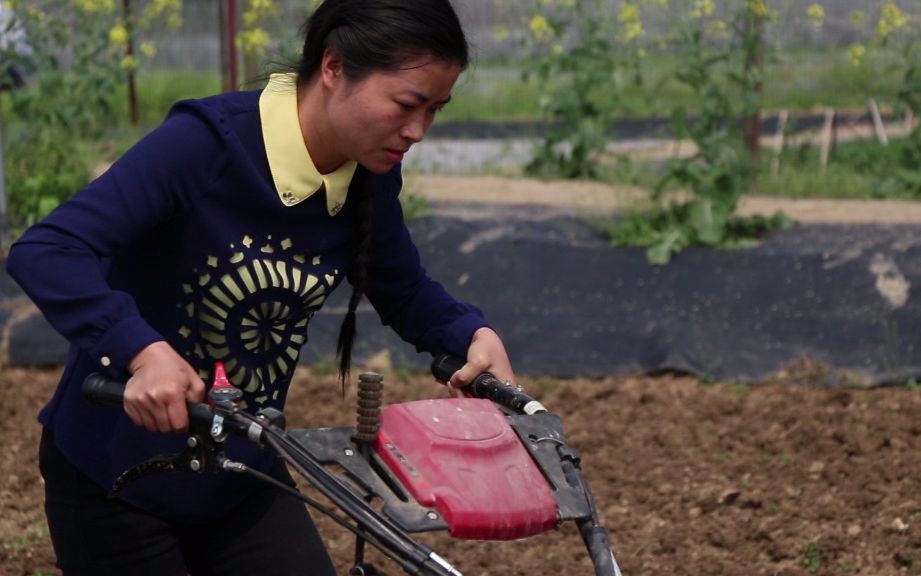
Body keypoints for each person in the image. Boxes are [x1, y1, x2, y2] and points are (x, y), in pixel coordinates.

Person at [5, 0, 515, 574]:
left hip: (241, 468)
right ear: (333, 68)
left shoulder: (367, 168)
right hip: (118, 476)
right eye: (407, 104)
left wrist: (471, 332)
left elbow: (401, 288)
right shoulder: (203, 146)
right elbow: (48, 250)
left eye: (435, 111)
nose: (418, 131)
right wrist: (141, 351)